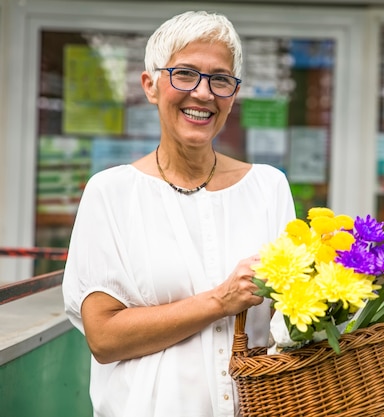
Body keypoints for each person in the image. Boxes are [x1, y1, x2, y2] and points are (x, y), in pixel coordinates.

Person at [62, 11, 295, 417]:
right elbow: (104, 338)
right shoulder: (112, 193)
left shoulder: (268, 187)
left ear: (233, 95)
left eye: (220, 79)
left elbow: (290, 324)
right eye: (185, 74)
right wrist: (220, 300)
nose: (203, 93)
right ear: (150, 86)